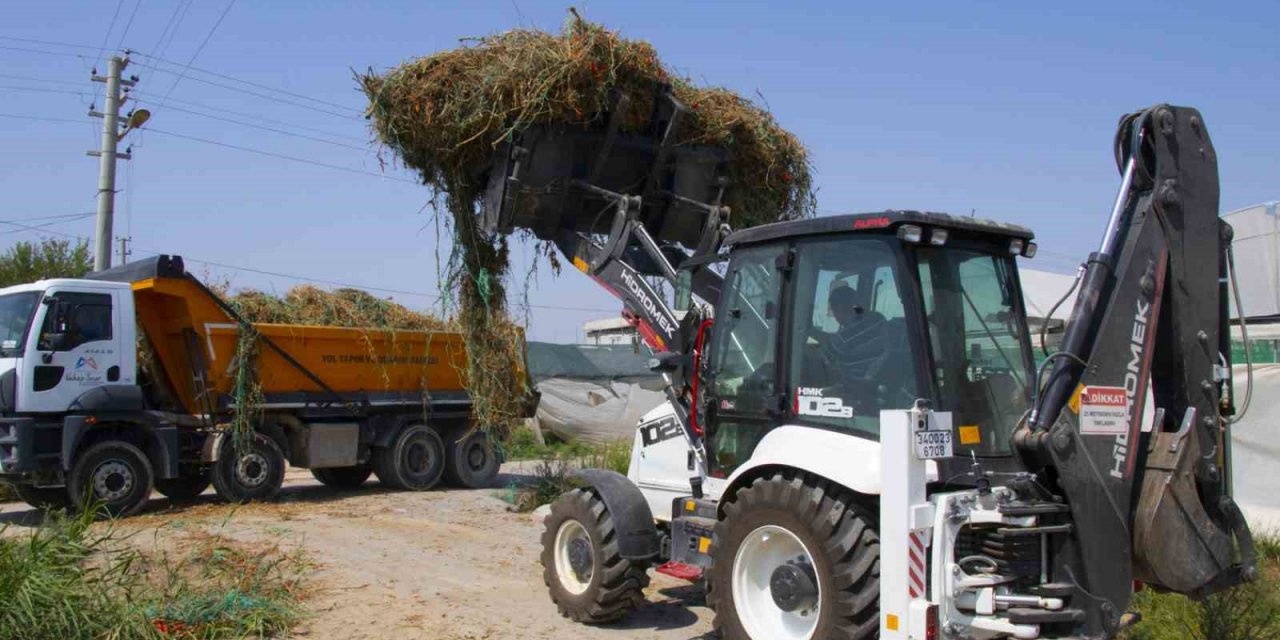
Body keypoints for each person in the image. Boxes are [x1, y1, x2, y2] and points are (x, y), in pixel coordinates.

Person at [811, 284, 889, 386]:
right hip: (881, 381)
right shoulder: (878, 319)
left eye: (834, 311)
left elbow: (824, 359)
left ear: (838, 308)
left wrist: (810, 341)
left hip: (856, 386)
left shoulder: (842, 338)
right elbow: (860, 312)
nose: (834, 316)